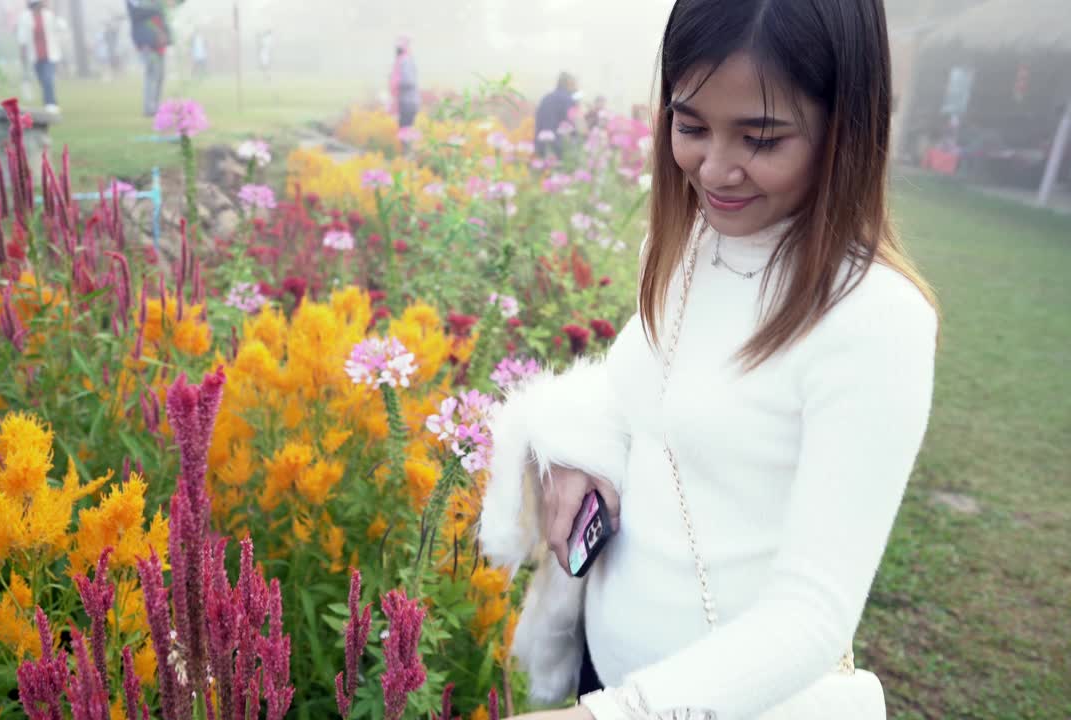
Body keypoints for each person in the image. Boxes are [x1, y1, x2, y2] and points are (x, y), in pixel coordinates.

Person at [480, 1, 939, 719]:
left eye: (760, 138)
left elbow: (813, 615)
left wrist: (613, 714)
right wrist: (582, 450)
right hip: (604, 670)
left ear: (844, 128)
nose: (714, 169)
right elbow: (650, 397)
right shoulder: (686, 247)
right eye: (690, 126)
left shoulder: (876, 321)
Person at [16, 0, 65, 114]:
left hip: (50, 54)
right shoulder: (25, 17)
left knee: (48, 78)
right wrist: (22, 54)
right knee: (42, 80)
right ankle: (49, 101)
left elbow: (61, 27)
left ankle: (51, 103)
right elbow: (22, 37)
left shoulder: (49, 15)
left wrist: (54, 13)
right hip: (35, 55)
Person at [126, 0, 170, 117]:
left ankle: (156, 105)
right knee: (152, 73)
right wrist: (158, 7)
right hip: (146, 41)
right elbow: (136, 13)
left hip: (159, 41)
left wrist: (166, 35)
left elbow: (164, 15)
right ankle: (149, 108)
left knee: (160, 75)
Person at [534, 72, 578, 158]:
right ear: (568, 83)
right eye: (574, 85)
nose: (575, 88)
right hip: (559, 149)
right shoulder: (569, 100)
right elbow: (576, 126)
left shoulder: (546, 98)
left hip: (541, 146)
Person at [390, 38, 419, 129]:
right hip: (405, 101)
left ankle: (408, 142)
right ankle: (407, 142)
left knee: (405, 128)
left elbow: (409, 81)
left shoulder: (405, 61)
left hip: (408, 101)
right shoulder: (402, 61)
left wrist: (397, 84)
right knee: (405, 127)